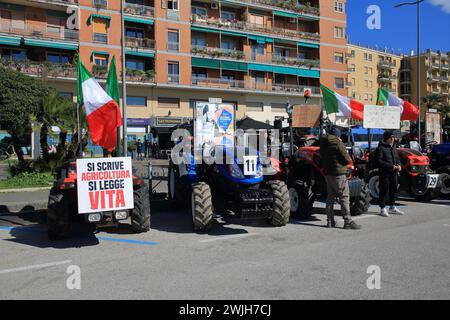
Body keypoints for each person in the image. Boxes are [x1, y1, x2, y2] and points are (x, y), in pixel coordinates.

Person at [320, 127, 361, 230]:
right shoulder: (338, 143)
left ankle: (330, 221)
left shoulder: (323, 143)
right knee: (344, 198)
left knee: (330, 199)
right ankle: (347, 222)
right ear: (338, 135)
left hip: (328, 174)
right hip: (339, 174)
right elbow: (347, 159)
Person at [375, 131, 404, 217]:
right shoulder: (380, 148)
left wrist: (399, 165)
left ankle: (392, 206)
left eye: (393, 137)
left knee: (394, 189)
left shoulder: (394, 147)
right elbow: (378, 161)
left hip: (394, 173)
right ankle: (382, 208)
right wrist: (391, 166)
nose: (393, 139)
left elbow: (397, 158)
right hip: (384, 173)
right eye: (391, 137)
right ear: (387, 138)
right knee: (384, 190)